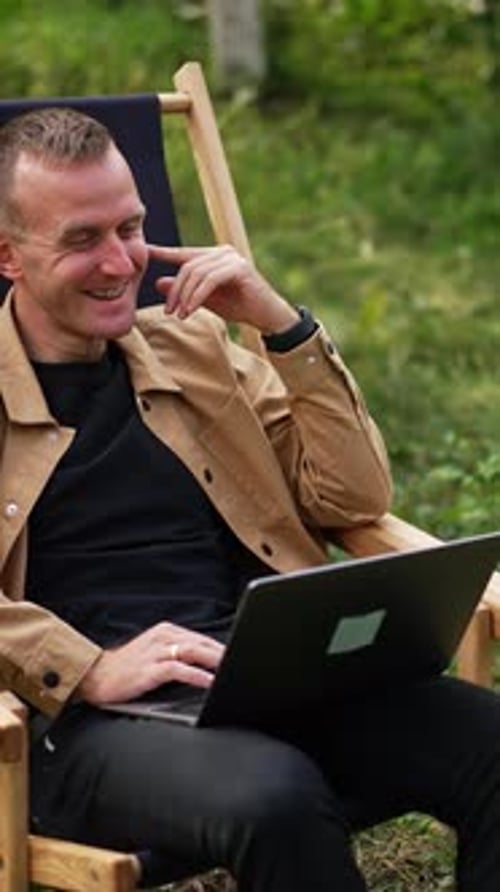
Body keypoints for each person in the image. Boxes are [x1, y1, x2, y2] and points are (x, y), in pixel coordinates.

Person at [0, 107, 499, 892]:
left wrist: (281, 326)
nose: (119, 262)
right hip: (81, 729)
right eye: (81, 239)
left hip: (255, 677)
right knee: (276, 794)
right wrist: (86, 667)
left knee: (490, 742)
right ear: (8, 256)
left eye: (130, 228)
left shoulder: (192, 348)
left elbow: (351, 492)